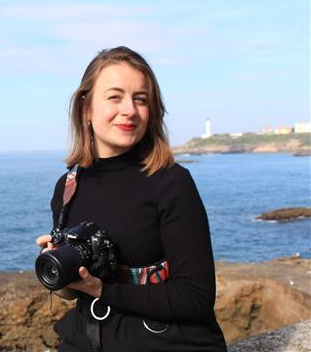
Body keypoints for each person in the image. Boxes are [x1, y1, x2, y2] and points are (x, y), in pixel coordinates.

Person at [36, 46, 227, 352]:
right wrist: (62, 270)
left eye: (140, 99)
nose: (129, 110)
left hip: (166, 342)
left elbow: (194, 296)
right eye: (115, 97)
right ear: (86, 108)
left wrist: (103, 290)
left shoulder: (171, 182)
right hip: (86, 338)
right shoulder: (68, 186)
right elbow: (73, 294)